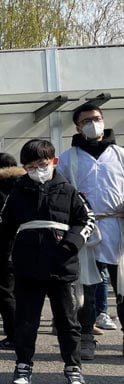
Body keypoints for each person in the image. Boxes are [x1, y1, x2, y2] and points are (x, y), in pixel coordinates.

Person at [0, 139, 95, 384]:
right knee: (26, 321)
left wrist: (71, 244)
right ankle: (23, 365)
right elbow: (4, 228)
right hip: (27, 267)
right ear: (24, 167)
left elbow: (86, 220)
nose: (38, 169)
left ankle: (73, 368)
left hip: (61, 266)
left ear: (54, 161)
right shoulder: (17, 192)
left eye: (43, 163)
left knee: (68, 322)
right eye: (31, 165)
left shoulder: (69, 190)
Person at [57, 103, 124, 358]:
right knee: (86, 289)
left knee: (123, 287)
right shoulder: (67, 158)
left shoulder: (119, 154)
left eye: (96, 118)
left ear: (103, 120)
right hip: (85, 230)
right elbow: (62, 192)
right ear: (77, 126)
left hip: (118, 227)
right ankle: (86, 336)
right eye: (86, 121)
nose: (92, 124)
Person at [0, 153, 23, 350]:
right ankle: (25, 334)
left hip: (4, 248)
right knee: (23, 293)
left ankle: (14, 336)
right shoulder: (27, 185)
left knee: (4, 293)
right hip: (28, 246)